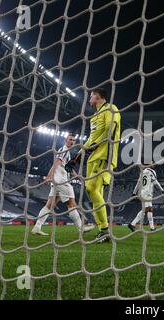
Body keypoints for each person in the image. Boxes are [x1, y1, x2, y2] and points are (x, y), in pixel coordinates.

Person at [67, 88, 121, 243]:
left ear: (99, 97)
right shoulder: (94, 117)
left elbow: (111, 130)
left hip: (105, 156)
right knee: (93, 192)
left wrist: (97, 144)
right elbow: (90, 140)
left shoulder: (111, 109)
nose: (89, 99)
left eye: (91, 96)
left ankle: (104, 230)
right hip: (93, 158)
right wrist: (75, 158)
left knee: (91, 188)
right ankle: (103, 230)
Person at [31, 134, 95, 236]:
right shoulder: (64, 150)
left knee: (49, 205)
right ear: (66, 140)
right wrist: (49, 176)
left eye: (73, 140)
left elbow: (68, 169)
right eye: (70, 140)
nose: (72, 142)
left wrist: (79, 177)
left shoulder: (67, 153)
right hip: (61, 181)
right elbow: (56, 163)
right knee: (71, 203)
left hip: (57, 181)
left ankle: (37, 227)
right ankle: (81, 227)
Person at [128, 163, 164, 232]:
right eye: (152, 164)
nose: (153, 165)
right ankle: (132, 224)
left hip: (143, 193)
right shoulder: (152, 172)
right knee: (146, 209)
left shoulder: (142, 172)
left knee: (149, 210)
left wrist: (134, 193)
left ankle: (152, 227)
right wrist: (162, 189)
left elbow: (138, 183)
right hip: (147, 193)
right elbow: (155, 182)